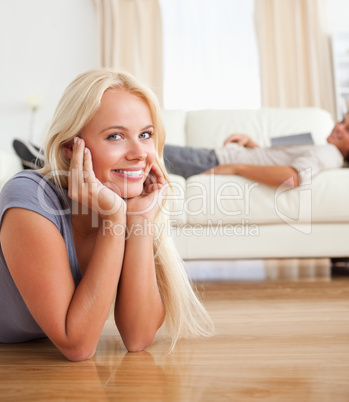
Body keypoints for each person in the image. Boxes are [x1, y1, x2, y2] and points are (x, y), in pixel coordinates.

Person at [0, 69, 214, 361]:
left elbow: (138, 337)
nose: (139, 153)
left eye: (145, 135)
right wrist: (114, 219)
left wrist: (139, 220)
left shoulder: (131, 201)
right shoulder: (29, 198)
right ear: (69, 149)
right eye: (115, 136)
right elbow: (77, 345)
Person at [163, 113, 349, 187]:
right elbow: (275, 160)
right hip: (213, 157)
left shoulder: (329, 152)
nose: (339, 127)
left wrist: (237, 168)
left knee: (146, 149)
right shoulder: (324, 148)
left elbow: (292, 176)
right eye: (342, 121)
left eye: (347, 129)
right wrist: (252, 145)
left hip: (215, 161)